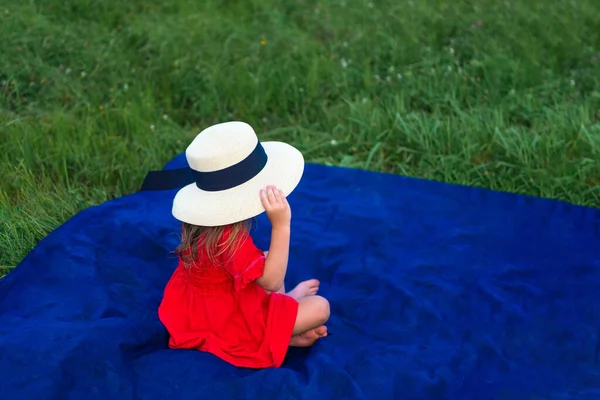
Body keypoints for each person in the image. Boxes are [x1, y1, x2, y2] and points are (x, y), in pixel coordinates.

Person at [158, 121, 330, 369]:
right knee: (320, 308)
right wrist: (282, 225)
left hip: (200, 312)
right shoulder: (229, 240)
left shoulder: (199, 225)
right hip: (231, 325)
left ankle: (284, 324)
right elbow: (271, 282)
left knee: (267, 256)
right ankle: (277, 331)